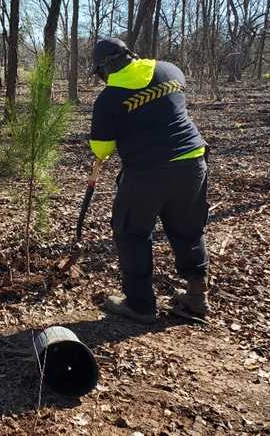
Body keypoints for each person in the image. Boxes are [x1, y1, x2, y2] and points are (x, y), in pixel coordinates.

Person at [88, 37, 210, 324]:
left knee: (131, 233)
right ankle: (197, 295)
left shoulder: (109, 98)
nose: (102, 78)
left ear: (109, 65)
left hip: (147, 172)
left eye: (100, 72)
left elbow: (102, 150)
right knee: (188, 229)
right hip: (193, 163)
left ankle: (140, 305)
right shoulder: (170, 70)